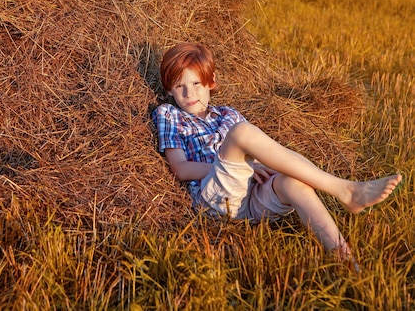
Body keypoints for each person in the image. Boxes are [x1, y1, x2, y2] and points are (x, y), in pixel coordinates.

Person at [152, 42, 402, 267]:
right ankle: (343, 190)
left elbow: (257, 156)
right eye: (179, 86)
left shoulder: (228, 114)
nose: (189, 93)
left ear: (211, 82)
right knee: (242, 133)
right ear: (170, 91)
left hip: (250, 197)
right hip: (215, 197)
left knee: (292, 182)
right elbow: (181, 168)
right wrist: (241, 167)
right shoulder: (169, 115)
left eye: (195, 83)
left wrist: (261, 168)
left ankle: (346, 262)